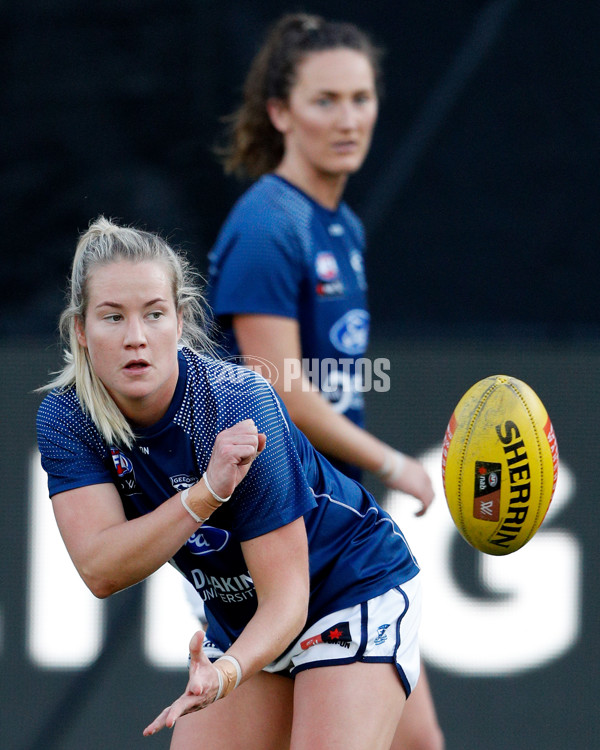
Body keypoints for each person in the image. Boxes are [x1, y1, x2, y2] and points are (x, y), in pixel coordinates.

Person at [37, 216, 424, 749]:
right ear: (80, 330)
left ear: (180, 319)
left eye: (154, 314)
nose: (135, 338)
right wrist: (205, 493)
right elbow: (100, 569)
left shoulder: (234, 403)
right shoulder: (67, 417)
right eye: (112, 317)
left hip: (345, 588)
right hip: (244, 619)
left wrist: (224, 674)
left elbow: (289, 601)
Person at [207, 13, 444, 750]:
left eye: (361, 98)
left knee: (418, 742)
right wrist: (393, 463)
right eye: (325, 100)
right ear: (279, 113)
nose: (349, 120)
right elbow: (277, 394)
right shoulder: (268, 227)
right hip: (285, 540)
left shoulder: (338, 225)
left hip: (340, 535)